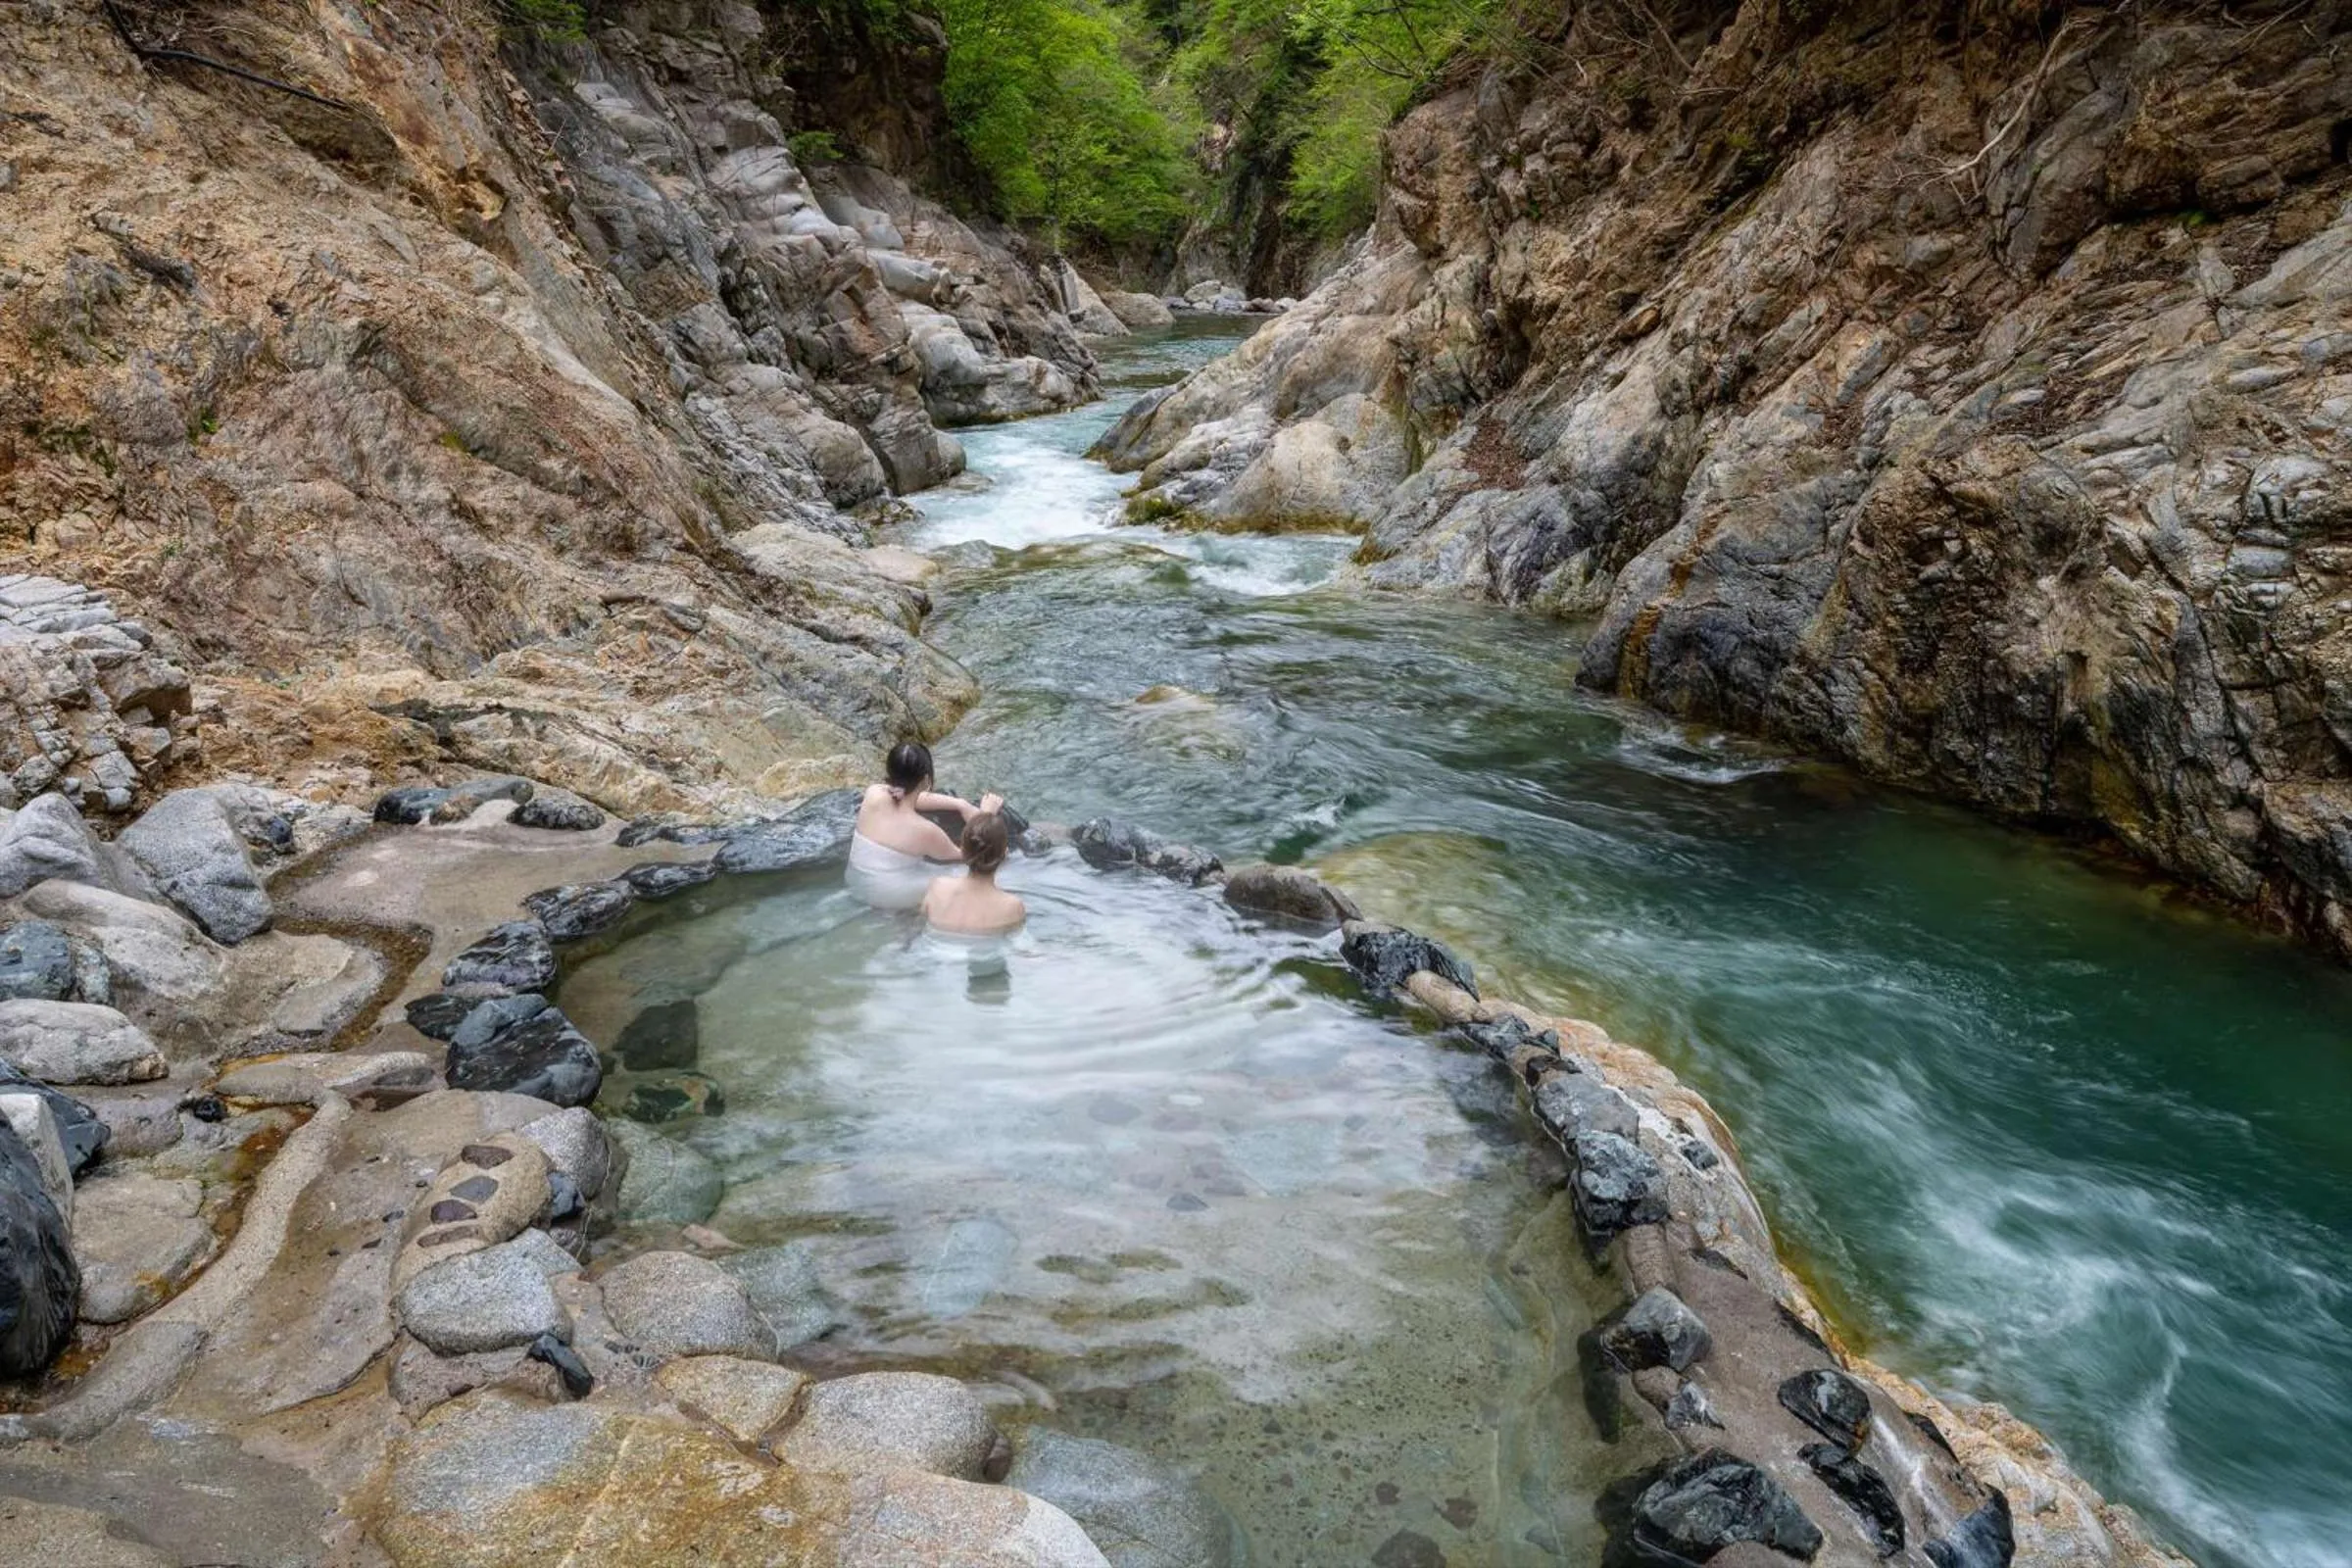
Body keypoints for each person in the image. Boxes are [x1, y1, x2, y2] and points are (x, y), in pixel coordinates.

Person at [848, 742, 1000, 909]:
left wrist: (960, 804)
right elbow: (972, 854)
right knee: (975, 873)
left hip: (857, 882)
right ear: (926, 779)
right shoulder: (925, 831)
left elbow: (911, 798)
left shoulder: (873, 794)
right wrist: (987, 814)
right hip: (889, 896)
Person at [921, 811, 1027, 935]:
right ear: (1004, 854)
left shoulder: (938, 887)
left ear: (963, 850)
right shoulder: (1012, 906)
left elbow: (920, 921)